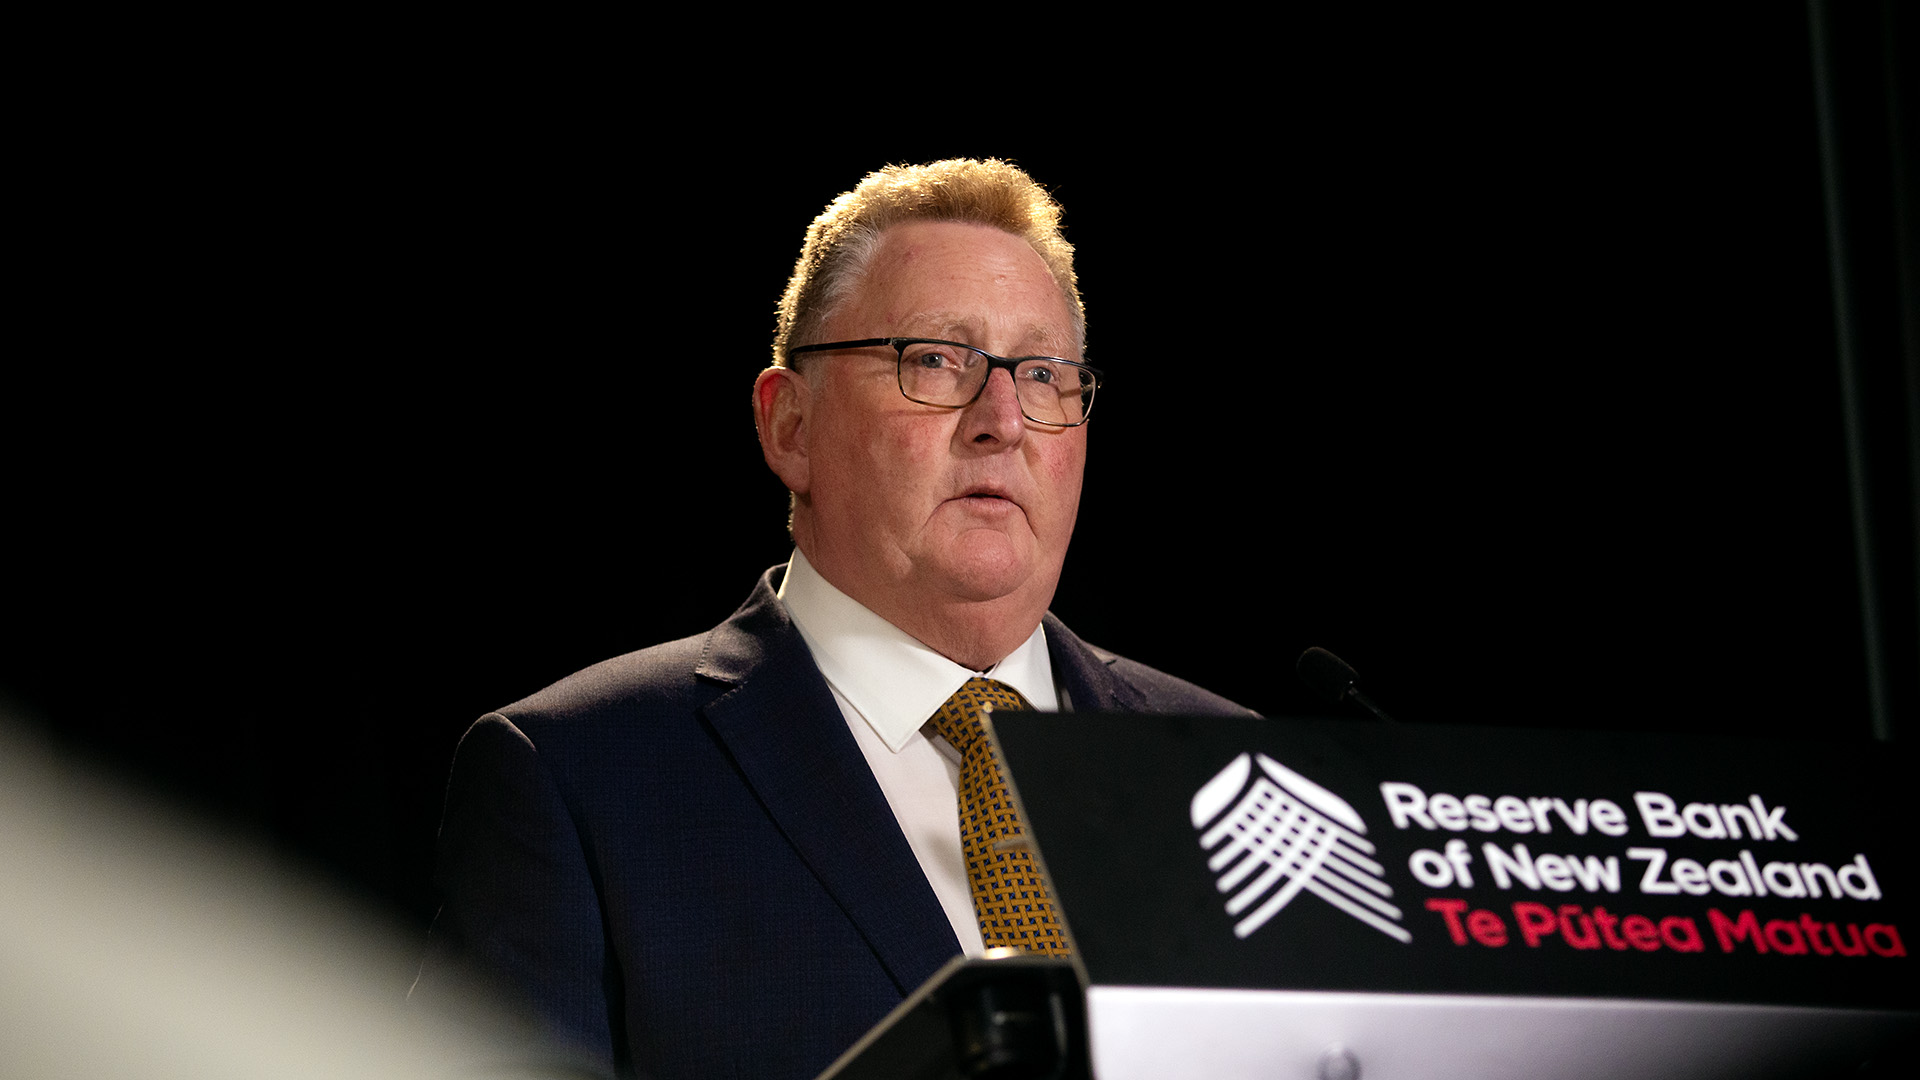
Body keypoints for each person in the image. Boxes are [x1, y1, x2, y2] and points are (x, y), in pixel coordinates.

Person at [413, 159, 1253, 1079]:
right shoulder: (582, 782)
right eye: (937, 360)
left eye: (1045, 374)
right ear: (790, 427)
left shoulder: (1231, 764)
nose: (1003, 419)